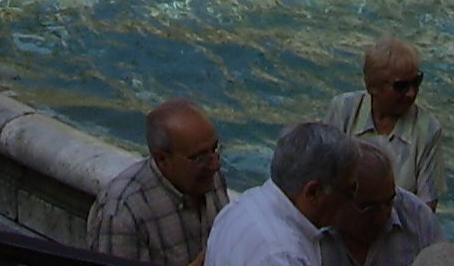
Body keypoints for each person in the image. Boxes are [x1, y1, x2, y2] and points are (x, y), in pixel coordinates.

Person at [87, 98, 230, 266]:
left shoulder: (210, 176)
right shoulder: (123, 212)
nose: (215, 164)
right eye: (199, 158)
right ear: (162, 159)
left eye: (215, 149)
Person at [204, 122, 359, 266]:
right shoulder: (280, 255)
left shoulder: (240, 207)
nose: (353, 201)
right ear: (313, 192)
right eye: (349, 191)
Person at [325, 38, 444, 208]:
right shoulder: (343, 109)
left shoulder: (428, 129)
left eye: (416, 81)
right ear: (373, 87)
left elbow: (426, 207)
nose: (411, 93)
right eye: (401, 86)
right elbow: (324, 176)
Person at [320, 140, 441, 266]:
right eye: (369, 208)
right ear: (338, 199)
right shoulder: (314, 226)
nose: (382, 217)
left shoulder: (417, 218)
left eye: (389, 203)